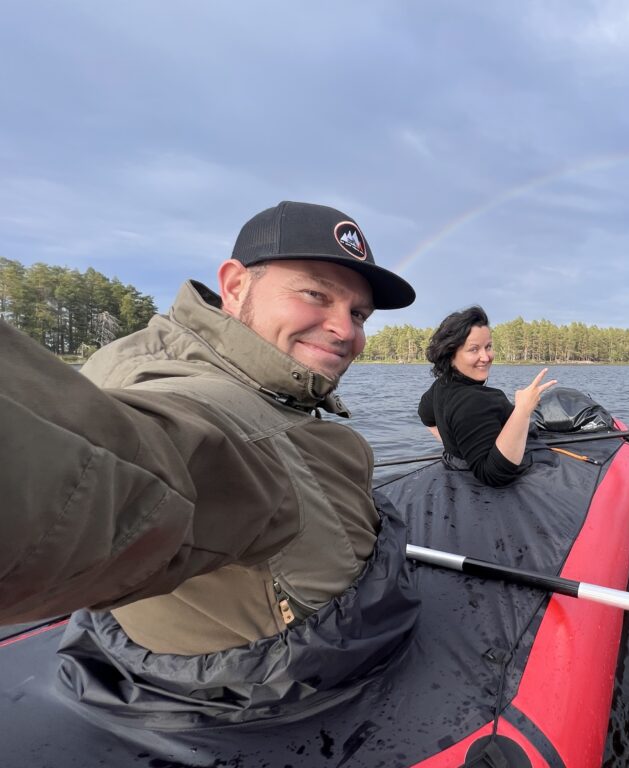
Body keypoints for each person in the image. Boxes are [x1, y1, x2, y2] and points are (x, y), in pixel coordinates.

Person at [0, 201, 417, 657]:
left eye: (359, 315)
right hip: (273, 694)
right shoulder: (194, 401)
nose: (344, 331)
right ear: (236, 286)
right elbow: (128, 470)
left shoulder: (272, 385)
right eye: (316, 295)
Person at [418, 306, 557, 487]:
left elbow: (425, 413)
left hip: (458, 469)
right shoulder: (475, 401)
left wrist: (457, 448)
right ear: (451, 355)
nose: (485, 357)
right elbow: (494, 475)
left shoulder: (442, 385)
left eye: (488, 347)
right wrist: (523, 410)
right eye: (474, 349)